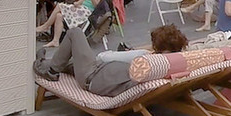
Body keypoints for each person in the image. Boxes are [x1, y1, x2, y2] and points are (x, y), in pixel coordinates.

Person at [36, 22, 189, 94]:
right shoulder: (172, 65)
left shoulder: (143, 60)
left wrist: (143, 50)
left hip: (92, 76)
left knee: (75, 33)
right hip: (100, 76)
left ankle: (51, 70)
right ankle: (47, 62)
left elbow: (104, 56)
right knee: (73, 62)